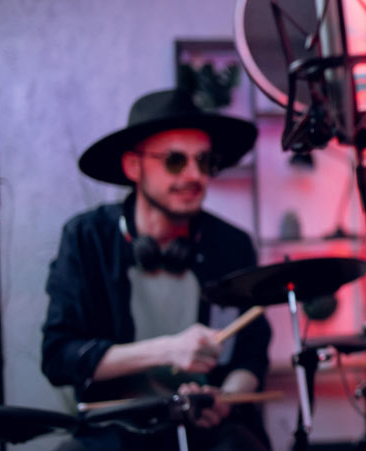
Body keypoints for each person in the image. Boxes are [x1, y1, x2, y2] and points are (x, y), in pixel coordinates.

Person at [41, 88, 272, 451]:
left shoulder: (232, 245)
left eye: (204, 161)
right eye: (175, 161)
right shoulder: (87, 240)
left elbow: (252, 353)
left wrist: (227, 397)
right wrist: (168, 350)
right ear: (133, 166)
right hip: (115, 428)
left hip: (205, 431)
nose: (195, 175)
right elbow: (59, 357)